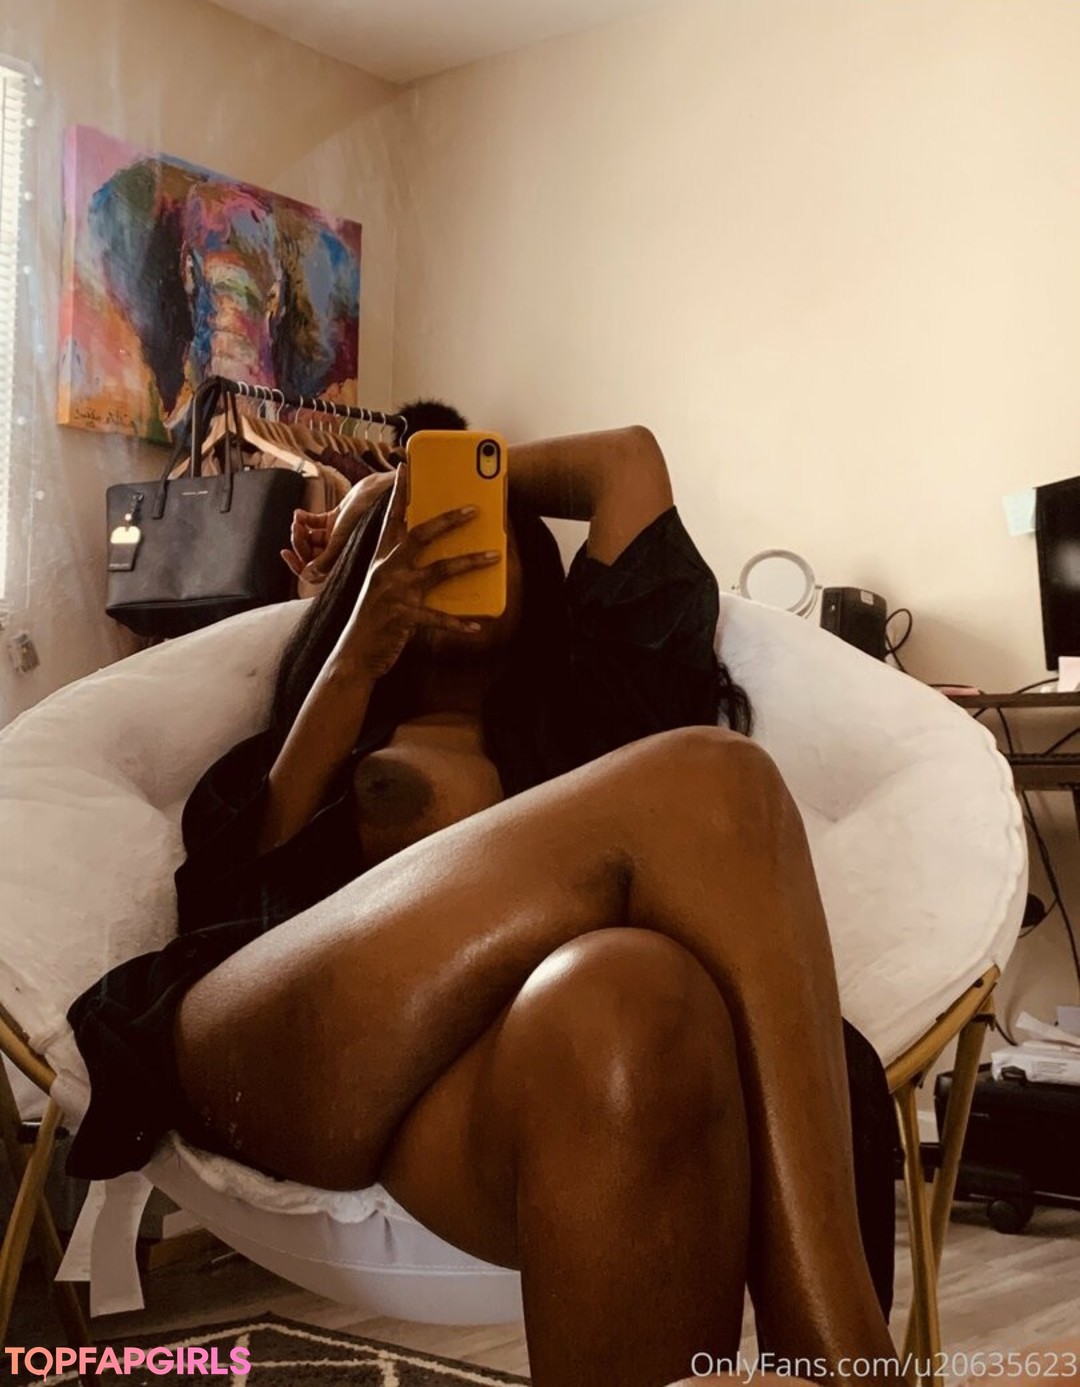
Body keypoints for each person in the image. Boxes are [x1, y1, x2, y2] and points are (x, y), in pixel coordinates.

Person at [67, 421, 900, 1387]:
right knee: (723, 779)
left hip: (475, 1100)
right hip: (278, 1044)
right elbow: (233, 895)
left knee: (630, 996)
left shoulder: (589, 733)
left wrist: (397, 480)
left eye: (475, 527)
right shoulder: (316, 735)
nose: (444, 542)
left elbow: (625, 462)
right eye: (414, 531)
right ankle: (843, 1355)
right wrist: (356, 651)